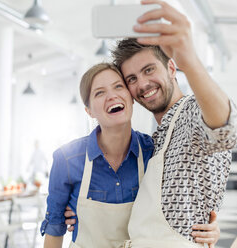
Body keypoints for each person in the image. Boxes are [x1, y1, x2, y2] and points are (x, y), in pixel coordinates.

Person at [65, 0, 237, 247]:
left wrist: (189, 60)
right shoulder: (151, 142)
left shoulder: (192, 113)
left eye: (149, 70)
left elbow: (225, 131)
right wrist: (82, 212)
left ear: (171, 68)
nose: (143, 84)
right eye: (132, 79)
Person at [41, 63, 220, 248]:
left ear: (131, 97)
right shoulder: (68, 159)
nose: (112, 95)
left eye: (118, 86)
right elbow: (54, 230)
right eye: (99, 92)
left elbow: (178, 209)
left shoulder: (154, 152)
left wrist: (211, 229)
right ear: (89, 111)